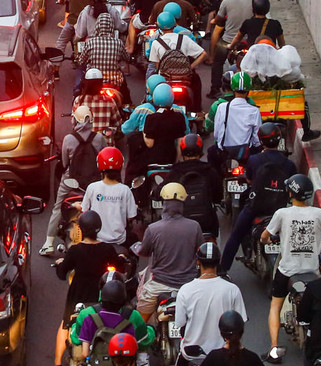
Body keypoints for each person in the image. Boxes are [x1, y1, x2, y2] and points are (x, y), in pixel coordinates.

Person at [261, 174, 321, 362]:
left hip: (287, 271)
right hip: (313, 271)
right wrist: (320, 231)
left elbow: (265, 236)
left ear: (291, 193)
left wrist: (268, 239)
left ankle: (273, 348)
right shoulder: (319, 214)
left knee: (275, 306)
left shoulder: (282, 214)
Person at [52, 210, 124, 366]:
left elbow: (62, 274)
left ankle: (56, 364)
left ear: (80, 229)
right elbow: (119, 268)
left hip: (78, 295)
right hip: (100, 295)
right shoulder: (107, 249)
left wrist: (61, 263)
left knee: (66, 324)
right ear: (99, 228)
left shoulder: (75, 250)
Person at [219, 123, 297, 275]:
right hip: (279, 208)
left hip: (255, 207)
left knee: (236, 234)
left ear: (261, 141)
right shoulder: (289, 164)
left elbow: (249, 180)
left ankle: (223, 269)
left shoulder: (254, 160)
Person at [42, 106, 110, 255]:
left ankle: (49, 243)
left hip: (71, 180)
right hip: (93, 181)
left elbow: (65, 163)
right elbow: (104, 157)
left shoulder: (68, 139)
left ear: (75, 120)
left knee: (58, 207)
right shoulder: (99, 138)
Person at [135, 182, 203, 320]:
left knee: (139, 324)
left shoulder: (153, 229)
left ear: (164, 204)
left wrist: (135, 247)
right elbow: (200, 252)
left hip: (158, 286)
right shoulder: (194, 227)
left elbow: (144, 252)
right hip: (188, 287)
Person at [168, 134, 225, 237]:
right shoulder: (210, 170)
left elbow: (162, 191)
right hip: (207, 223)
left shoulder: (175, 172)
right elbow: (218, 196)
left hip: (181, 222)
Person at [209, 0, 255, 97]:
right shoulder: (253, 1)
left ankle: (215, 89)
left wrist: (218, 21)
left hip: (228, 41)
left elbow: (218, 19)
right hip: (248, 42)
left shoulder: (226, 2)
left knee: (217, 62)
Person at [82, 147, 138, 248]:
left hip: (97, 239)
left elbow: (84, 211)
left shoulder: (92, 187)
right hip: (120, 240)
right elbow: (131, 216)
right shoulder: (125, 190)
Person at [80, 12, 131, 95]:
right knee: (126, 96)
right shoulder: (118, 43)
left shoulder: (91, 42)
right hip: (115, 82)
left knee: (79, 90)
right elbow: (127, 58)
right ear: (111, 26)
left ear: (97, 26)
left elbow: (81, 61)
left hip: (94, 81)